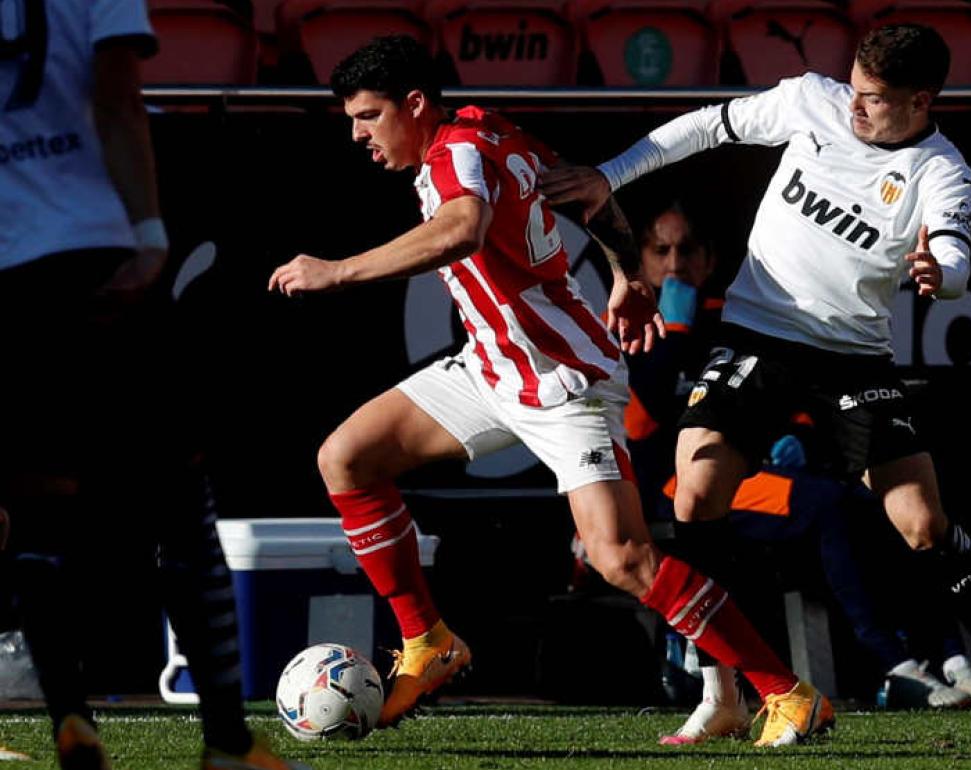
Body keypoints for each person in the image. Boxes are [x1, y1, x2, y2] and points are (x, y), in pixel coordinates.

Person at [267, 35, 834, 747]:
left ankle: (788, 694)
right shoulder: (491, 127)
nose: (359, 135)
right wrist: (627, 271)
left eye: (369, 116)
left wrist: (339, 272)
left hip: (565, 380)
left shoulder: (455, 153)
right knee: (346, 458)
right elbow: (588, 191)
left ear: (414, 104)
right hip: (493, 367)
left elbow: (461, 229)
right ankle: (428, 643)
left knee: (621, 558)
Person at [542, 23, 971, 745]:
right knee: (698, 486)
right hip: (755, 336)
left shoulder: (941, 169)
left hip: (851, 358)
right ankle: (722, 691)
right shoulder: (812, 100)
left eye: (874, 99)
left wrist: (944, 277)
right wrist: (609, 175)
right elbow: (707, 128)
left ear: (921, 100)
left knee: (922, 524)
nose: (856, 107)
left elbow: (953, 250)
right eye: (856, 89)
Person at [0, 2, 308, 769]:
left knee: (36, 509)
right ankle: (228, 743)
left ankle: (72, 718)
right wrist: (148, 232)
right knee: (182, 504)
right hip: (91, 245)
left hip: (9, 272)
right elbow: (115, 93)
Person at [622, 202, 971, 744]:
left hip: (759, 467)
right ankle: (893, 665)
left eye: (687, 250)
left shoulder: (733, 315)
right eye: (661, 250)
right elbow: (636, 427)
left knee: (890, 501)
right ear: (641, 258)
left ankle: (947, 656)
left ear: (710, 258)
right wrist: (675, 334)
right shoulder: (643, 320)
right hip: (679, 483)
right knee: (830, 503)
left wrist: (794, 435)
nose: (676, 262)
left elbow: (796, 396)